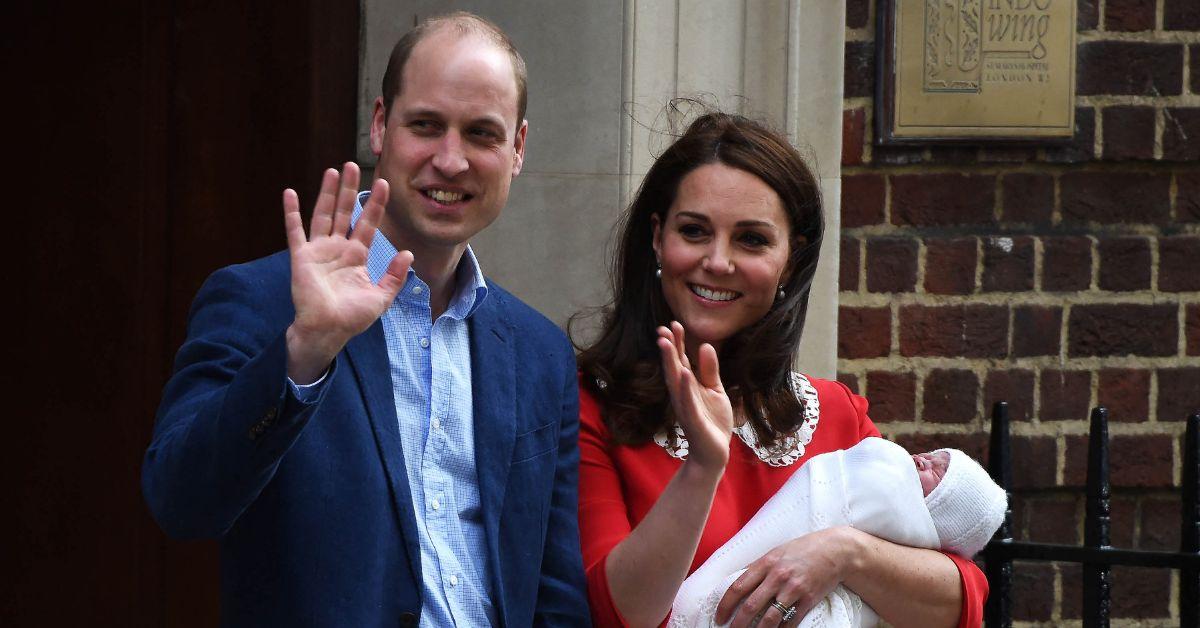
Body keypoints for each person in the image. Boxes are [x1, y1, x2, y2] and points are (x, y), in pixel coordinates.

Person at [142, 12, 588, 626]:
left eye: (482, 134)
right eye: (426, 125)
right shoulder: (260, 301)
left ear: (517, 150)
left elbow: (554, 592)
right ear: (381, 126)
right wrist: (305, 350)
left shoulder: (539, 353)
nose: (451, 160)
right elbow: (180, 503)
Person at [574, 111, 989, 628]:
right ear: (658, 238)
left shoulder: (835, 414)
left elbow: (962, 599)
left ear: (790, 259)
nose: (718, 261)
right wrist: (704, 465)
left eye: (751, 239)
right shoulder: (588, 406)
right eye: (695, 230)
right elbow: (618, 612)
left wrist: (841, 553)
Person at [671, 438, 1006, 627]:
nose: (920, 461)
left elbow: (964, 590)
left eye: (939, 473)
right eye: (934, 457)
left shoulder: (842, 412)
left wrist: (844, 551)